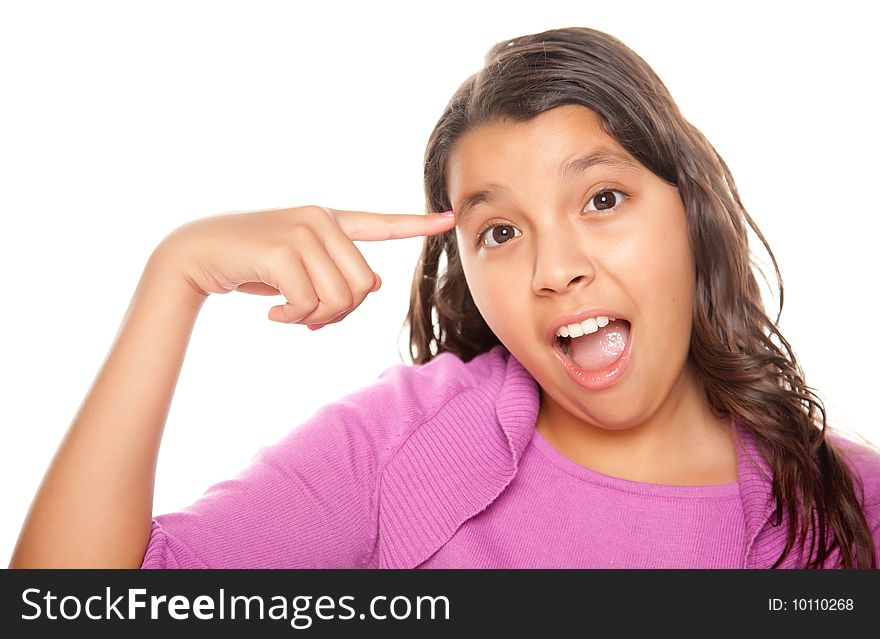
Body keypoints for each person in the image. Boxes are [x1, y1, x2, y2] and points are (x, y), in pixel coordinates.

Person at [9, 26, 879, 569]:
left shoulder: (853, 500)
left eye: (603, 200)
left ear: (691, 211)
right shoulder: (399, 446)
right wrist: (177, 275)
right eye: (500, 231)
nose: (555, 268)